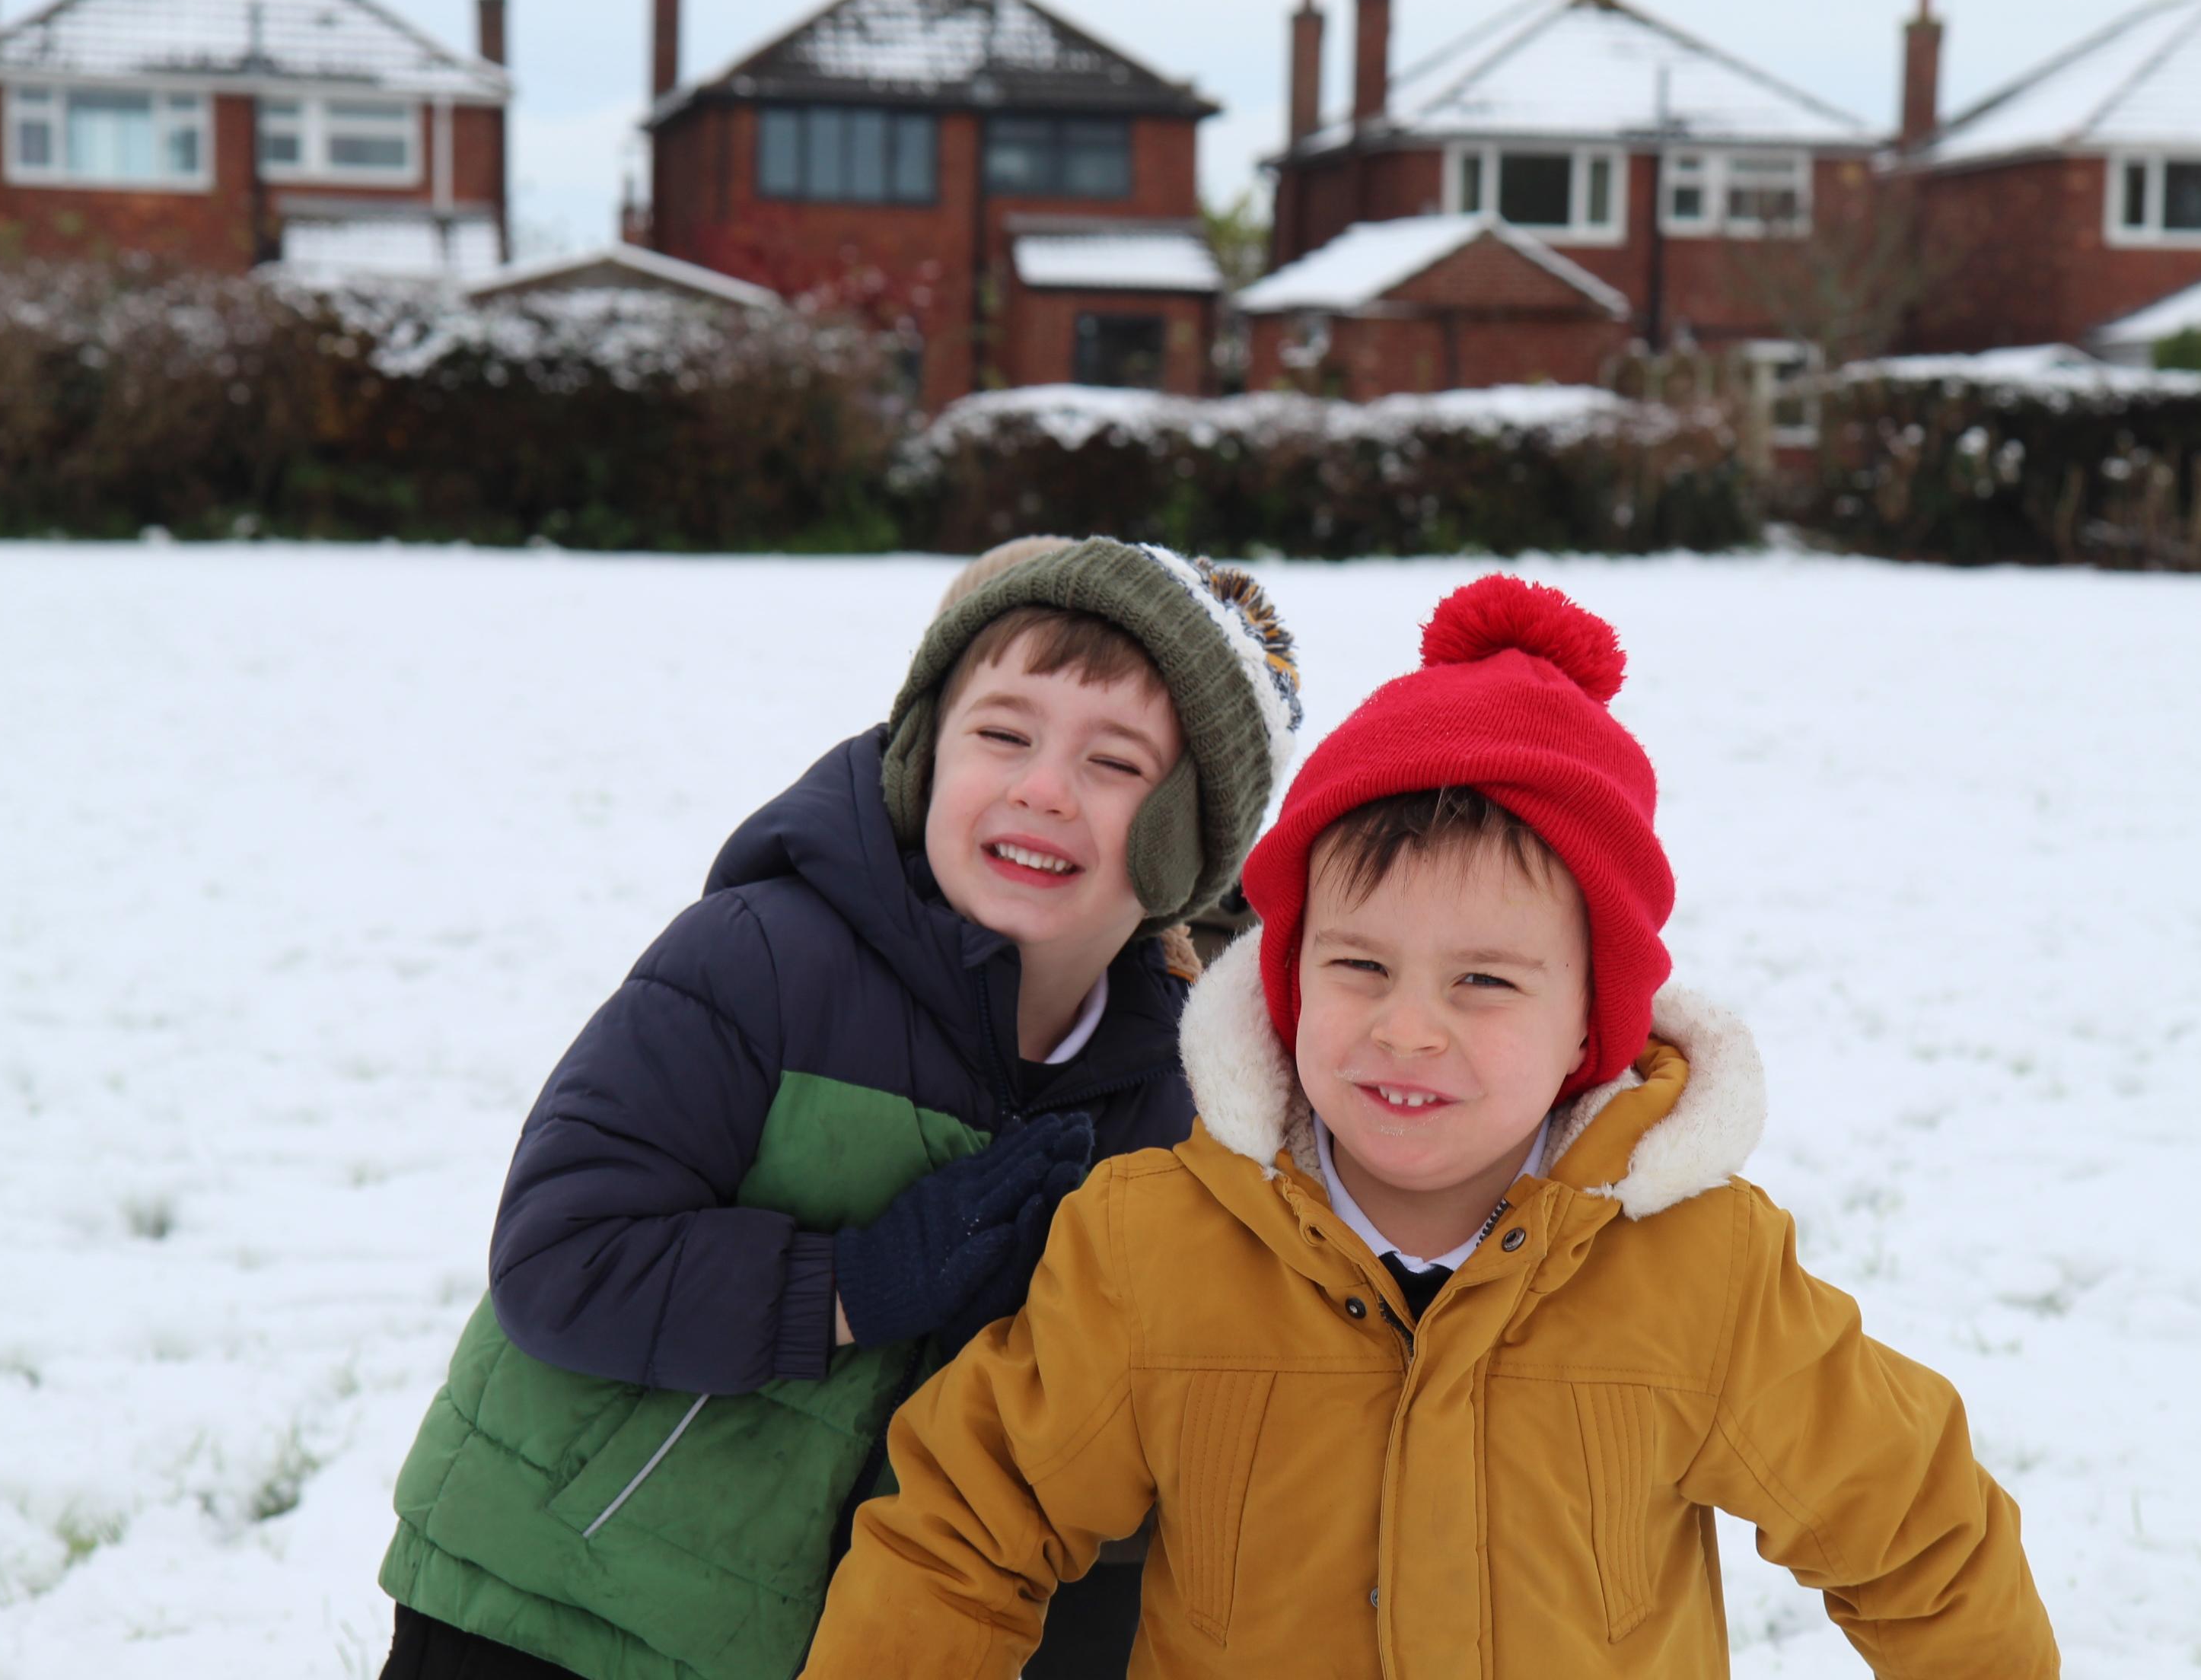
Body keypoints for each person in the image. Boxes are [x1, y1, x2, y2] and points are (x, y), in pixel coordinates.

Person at [802, 574, 2061, 1677]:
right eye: (1359, 967)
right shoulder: (1153, 1253)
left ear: (1591, 1021)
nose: (1408, 1030)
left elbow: (1920, 1534)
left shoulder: (1704, 1274)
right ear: (1290, 981)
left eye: (1484, 981)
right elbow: (963, 1533)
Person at [374, 537, 1301, 1680]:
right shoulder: (763, 960)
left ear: (1189, 843)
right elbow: (558, 1262)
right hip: (544, 1612)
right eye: (1002, 735)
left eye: (1114, 763)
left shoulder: (1176, 1104)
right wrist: (858, 1287)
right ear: (921, 755)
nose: (1043, 788)